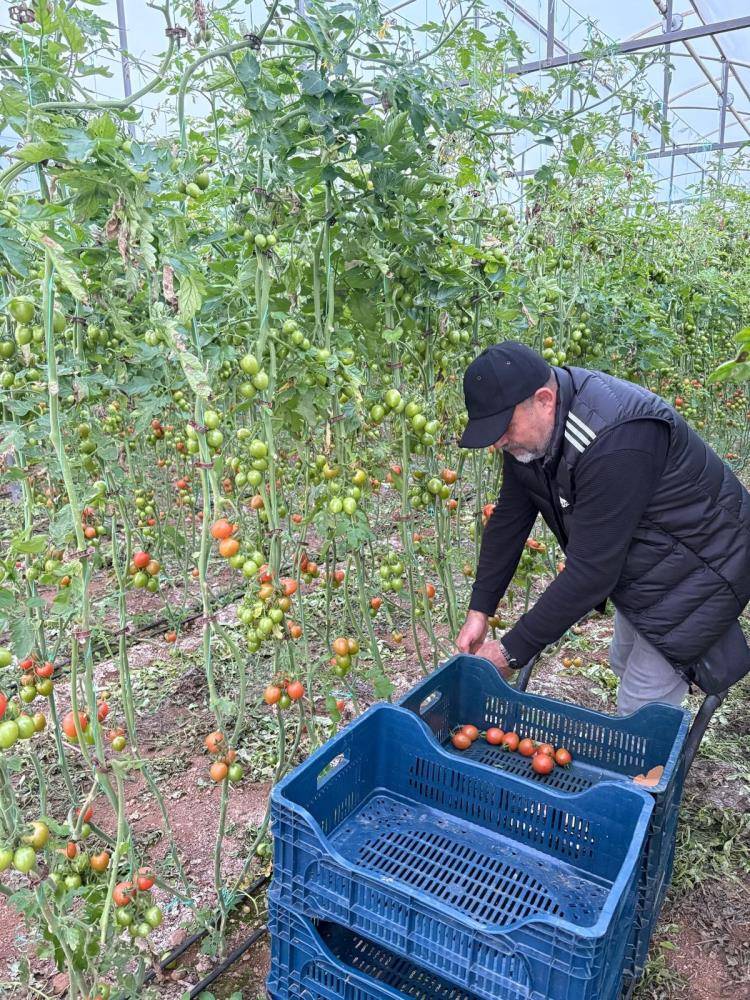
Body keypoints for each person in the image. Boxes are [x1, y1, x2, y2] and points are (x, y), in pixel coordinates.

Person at [456, 341, 750, 715]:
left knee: (642, 702)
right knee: (623, 662)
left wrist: (510, 651)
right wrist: (480, 608)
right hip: (648, 554)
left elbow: (592, 572)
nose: (498, 441)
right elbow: (511, 518)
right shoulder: (532, 437)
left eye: (504, 427)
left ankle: (648, 771)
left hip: (705, 561)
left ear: (544, 400)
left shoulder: (615, 439)